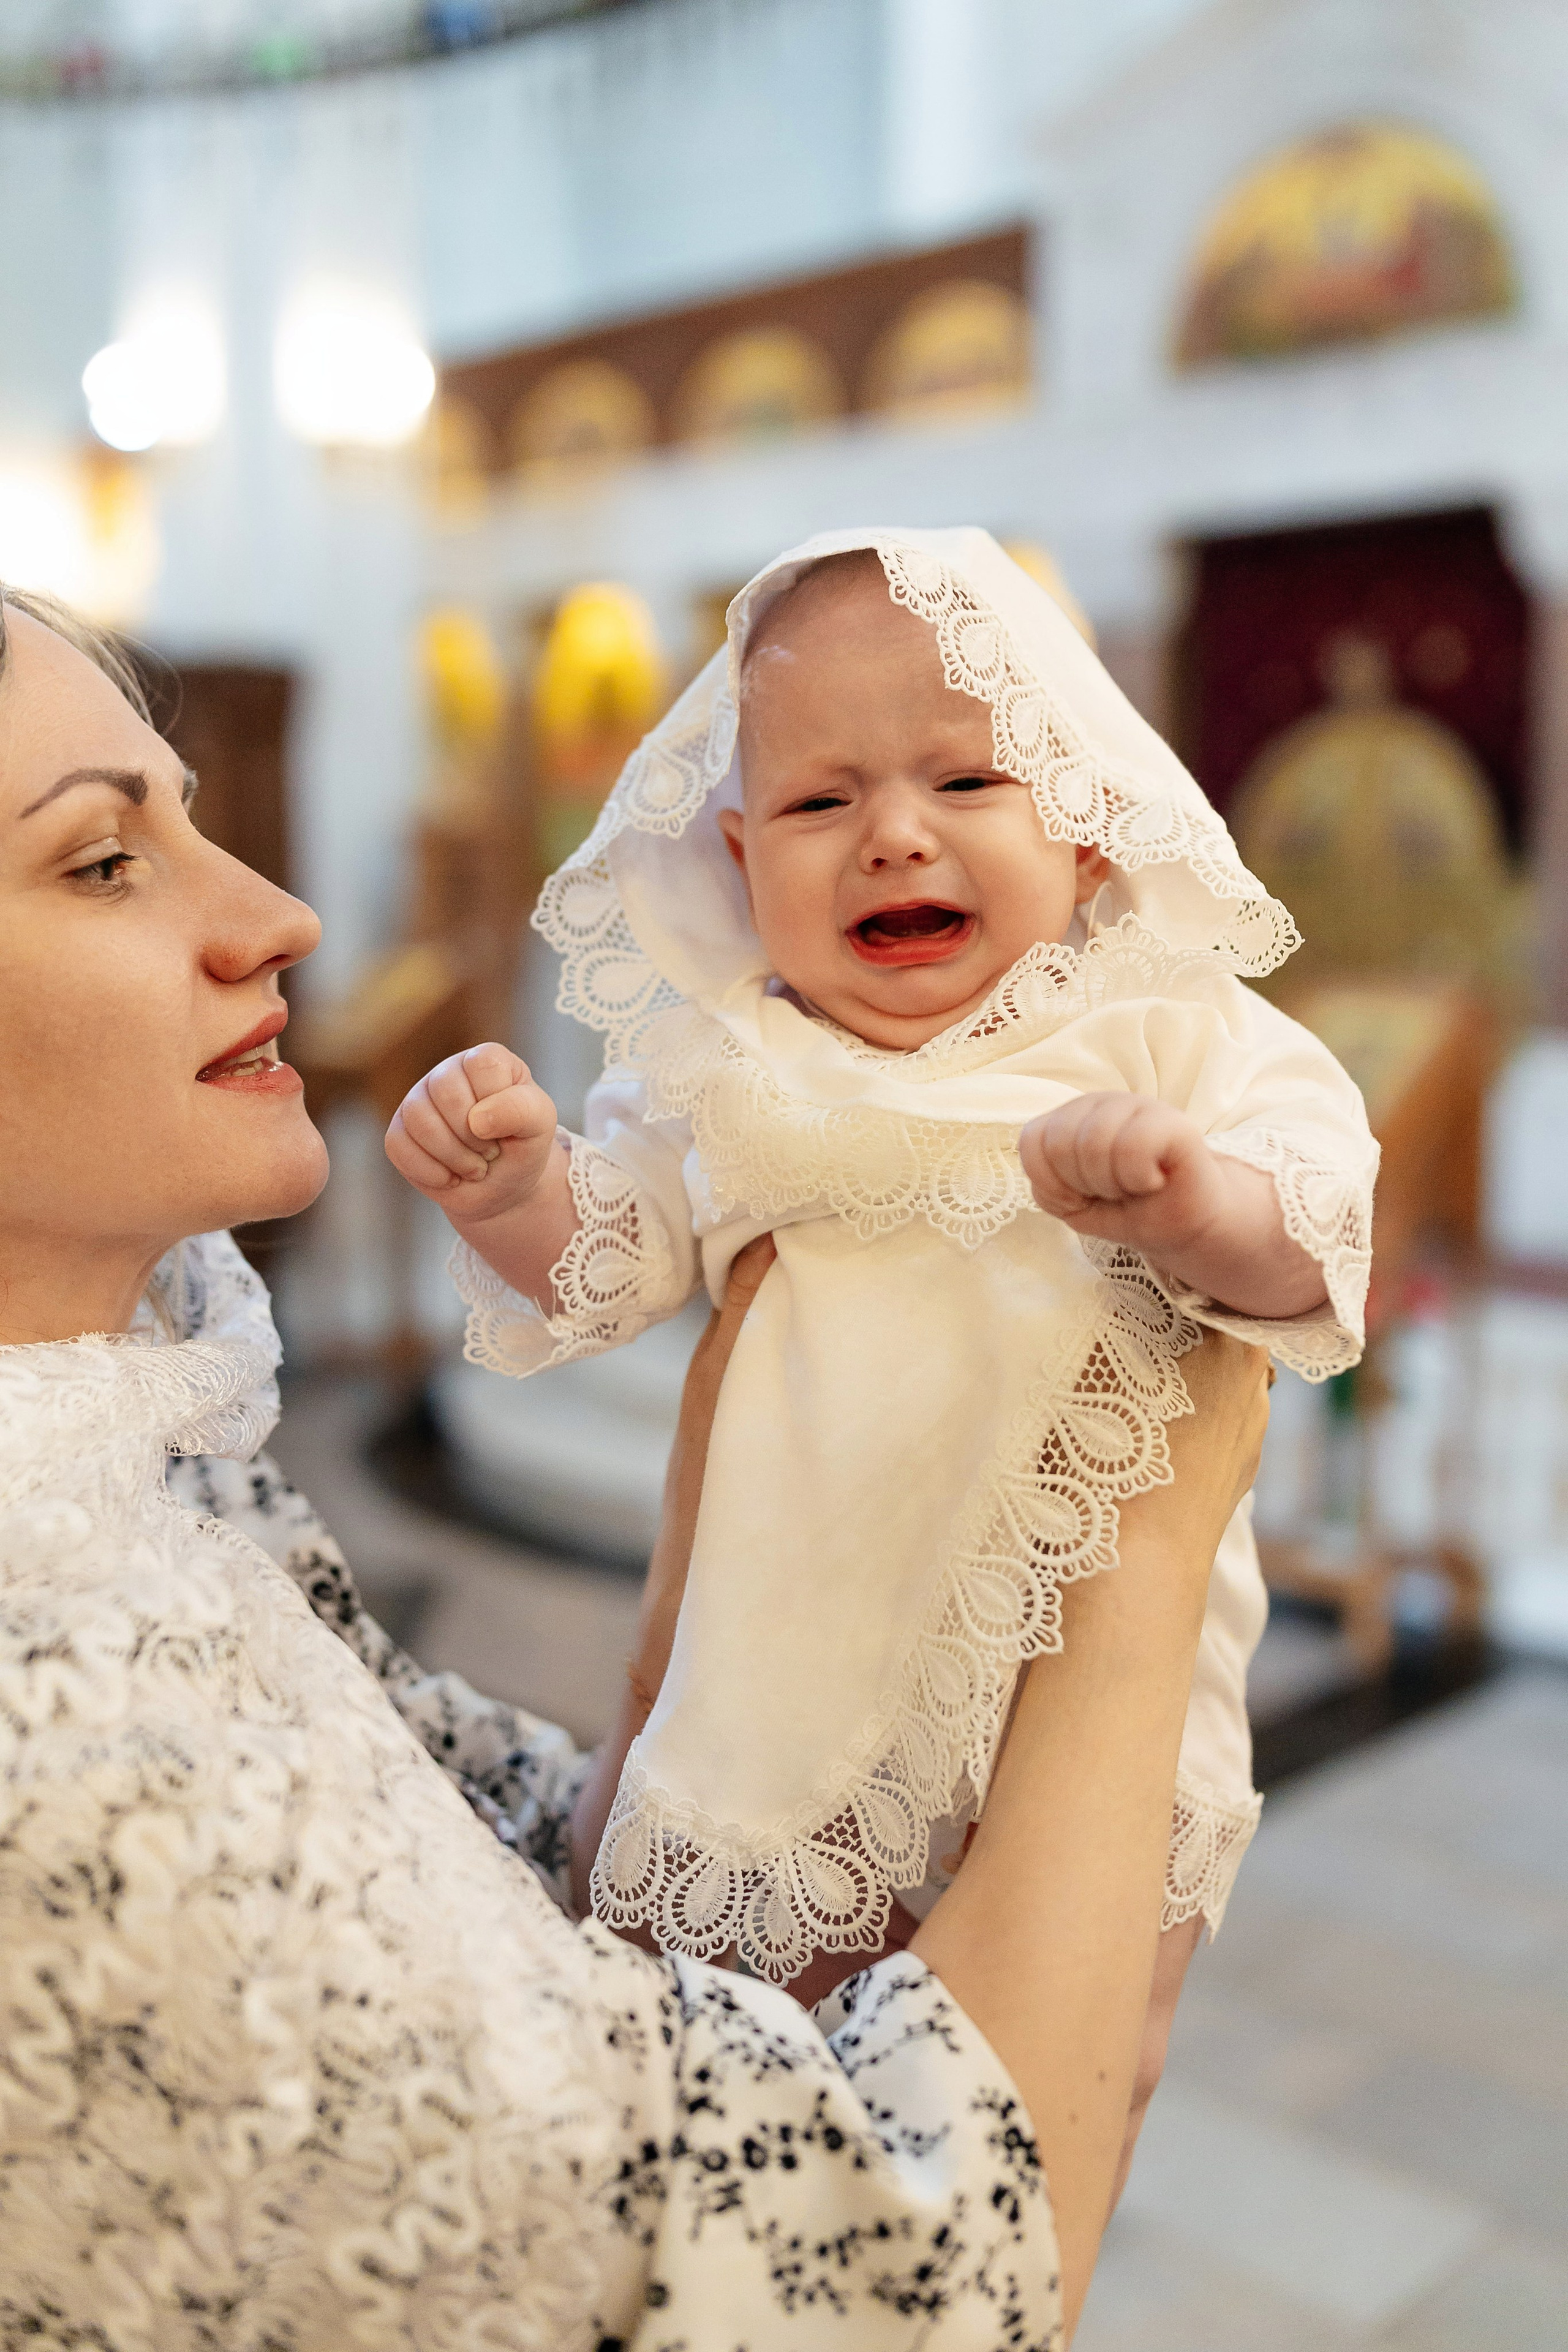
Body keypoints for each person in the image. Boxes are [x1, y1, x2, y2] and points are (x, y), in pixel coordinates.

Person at [0, 580, 1271, 2345]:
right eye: (98, 861)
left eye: (968, 784)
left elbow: (409, 1815)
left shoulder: (124, 1435)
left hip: (842, 1713)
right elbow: (901, 2278)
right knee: (1053, 2073)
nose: (283, 914)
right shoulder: (54, 1735)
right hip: (983, 1646)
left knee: (1089, 2010)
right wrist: (1160, 1505)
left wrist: (675, 1706)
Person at [385, 529, 1376, 2086]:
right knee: (750, 2074)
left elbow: (1321, 1240)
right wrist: (511, 1192)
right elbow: (615, 1255)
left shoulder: (1166, 1034)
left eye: (963, 783)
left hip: (1085, 1686)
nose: (892, 838)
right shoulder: (734, 1066)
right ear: (734, 859)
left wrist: (1198, 1207)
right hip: (780, 1677)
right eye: (817, 800)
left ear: (1089, 825)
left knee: (1058, 2057)